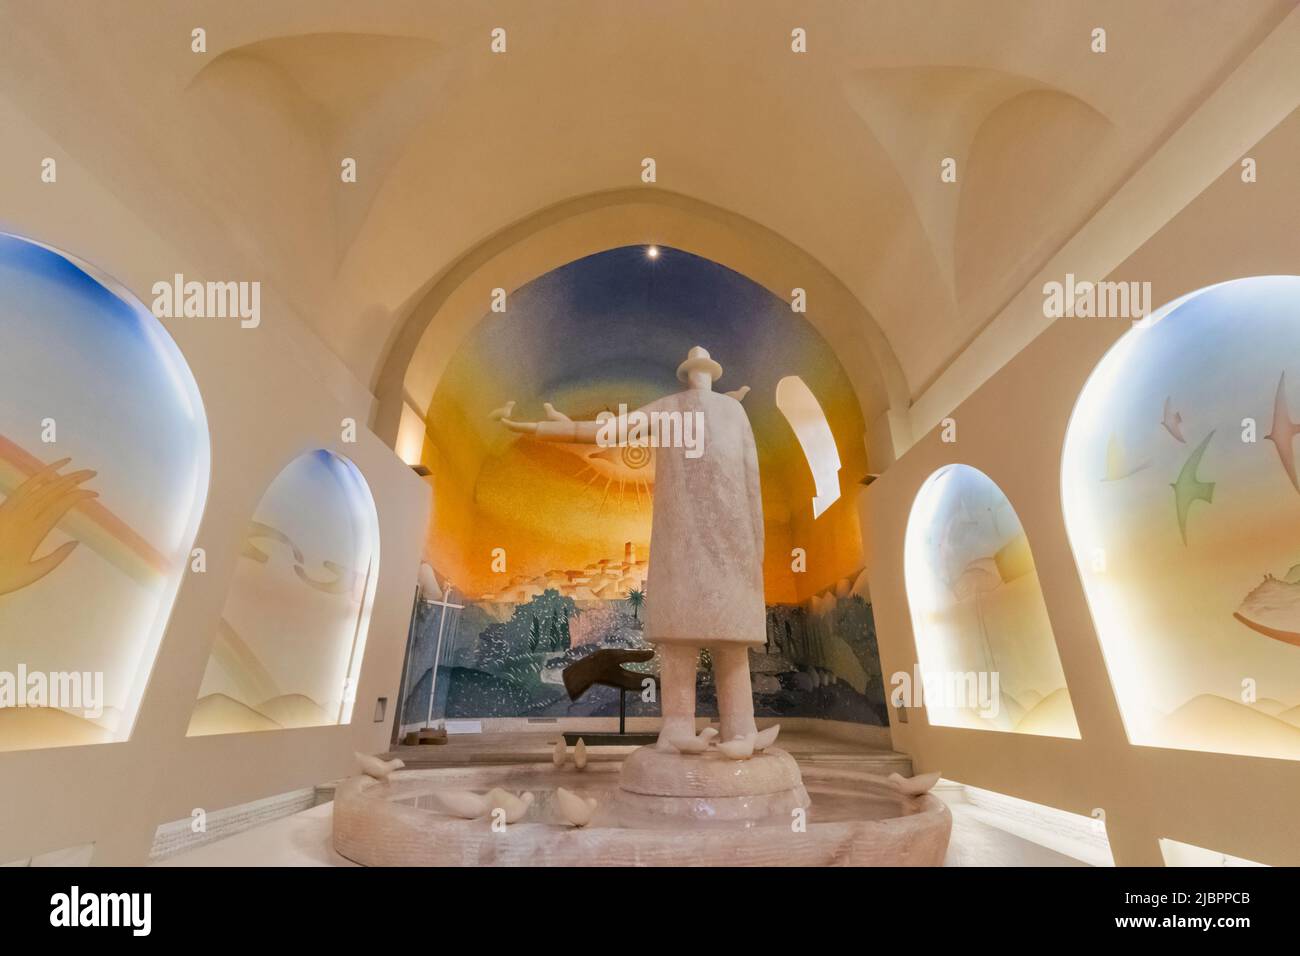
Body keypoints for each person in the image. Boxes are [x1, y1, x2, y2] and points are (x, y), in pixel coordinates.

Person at [500, 346, 766, 747]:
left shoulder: (732, 413)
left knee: (730, 641)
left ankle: (741, 728)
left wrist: (755, 543)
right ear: (695, 373)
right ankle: (679, 726)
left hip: (730, 539)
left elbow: (751, 479)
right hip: (688, 540)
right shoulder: (673, 408)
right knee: (680, 638)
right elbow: (608, 431)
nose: (698, 379)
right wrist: (545, 426)